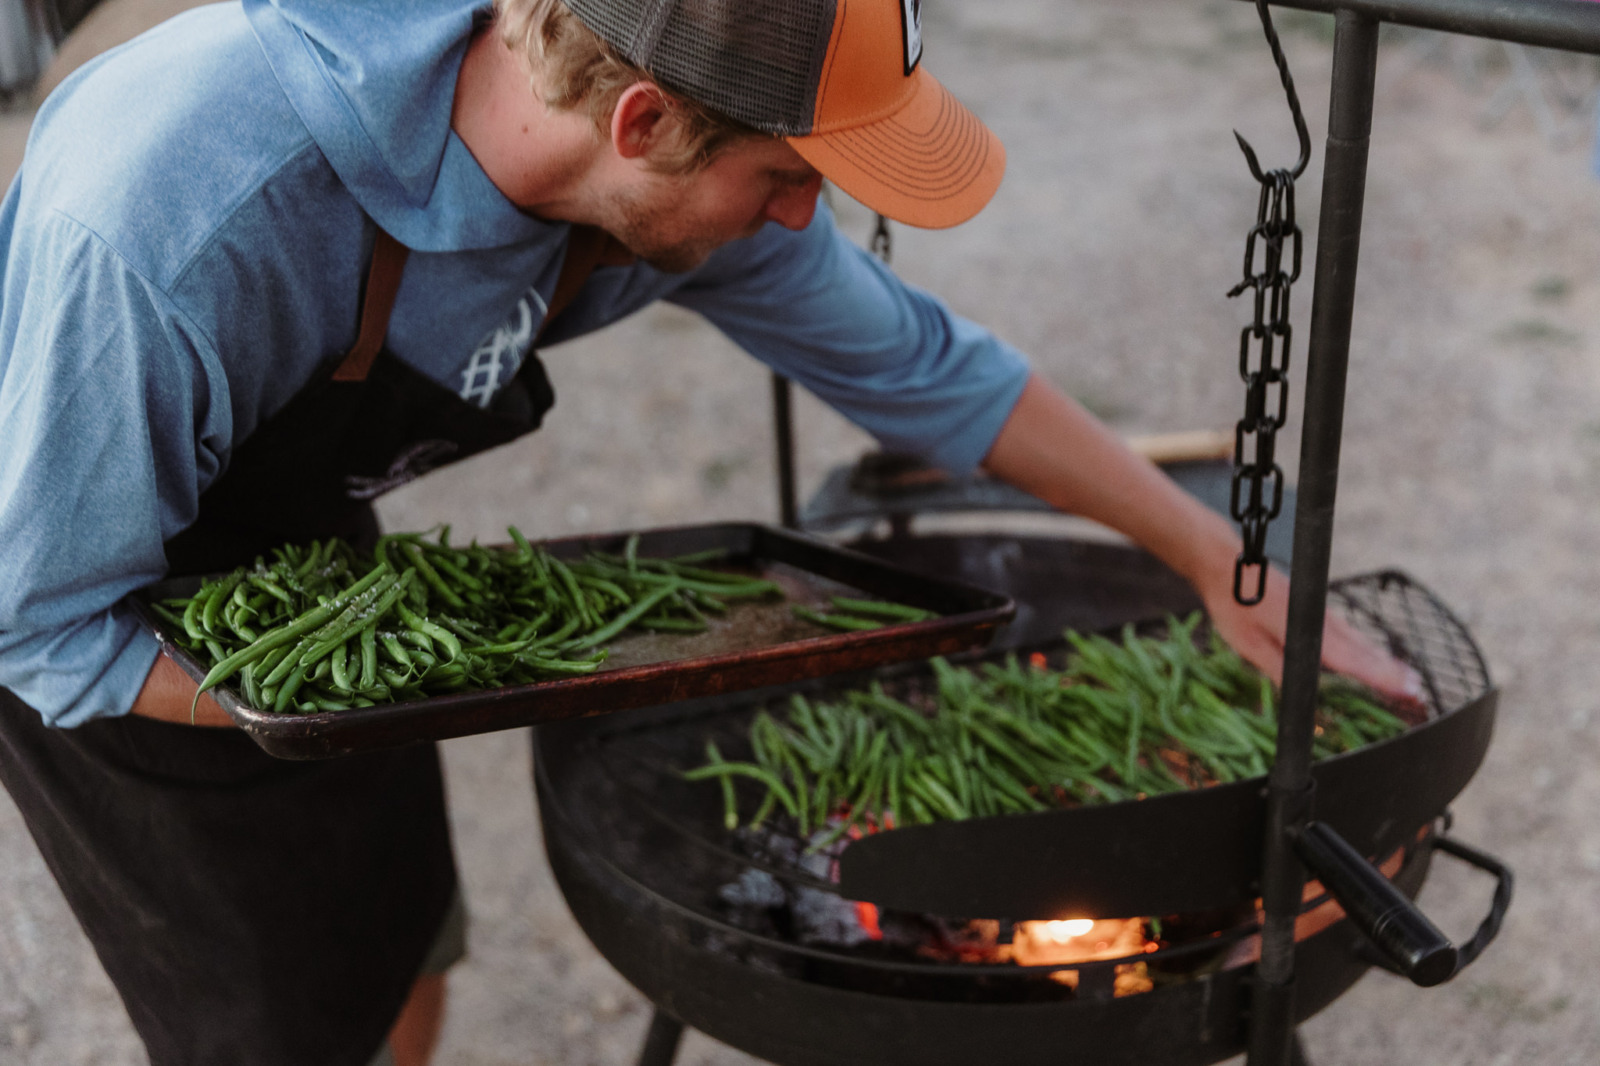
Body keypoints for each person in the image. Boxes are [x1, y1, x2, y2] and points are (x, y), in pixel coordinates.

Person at [0, 1, 1417, 1063]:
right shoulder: (174, 224)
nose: (809, 215)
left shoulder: (644, 171)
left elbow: (929, 370)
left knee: (391, 943)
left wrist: (1206, 561)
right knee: (271, 1019)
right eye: (788, 177)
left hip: (314, 570)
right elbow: (36, 619)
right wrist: (332, 689)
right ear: (643, 124)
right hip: (93, 594)